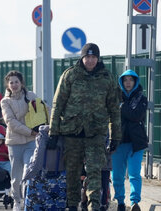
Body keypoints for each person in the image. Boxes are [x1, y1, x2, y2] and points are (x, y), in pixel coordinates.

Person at [48, 43, 121, 211]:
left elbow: (114, 109)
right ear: (82, 58)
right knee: (72, 172)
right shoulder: (71, 75)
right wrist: (53, 132)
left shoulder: (107, 78)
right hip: (72, 132)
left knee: (95, 171)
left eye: (94, 57)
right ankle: (72, 205)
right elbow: (58, 104)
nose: (90, 61)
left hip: (96, 133)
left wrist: (116, 135)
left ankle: (93, 205)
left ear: (98, 59)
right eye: (87, 57)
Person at [0, 70, 38, 211]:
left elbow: (44, 110)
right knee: (16, 176)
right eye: (11, 82)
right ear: (8, 85)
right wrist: (30, 131)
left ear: (21, 83)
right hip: (15, 142)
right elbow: (11, 122)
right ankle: (17, 201)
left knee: (28, 171)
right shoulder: (5, 101)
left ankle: (28, 199)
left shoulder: (31, 96)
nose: (14, 85)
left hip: (31, 141)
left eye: (17, 82)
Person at [112, 70, 148, 211]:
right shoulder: (114, 98)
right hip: (118, 143)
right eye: (125, 80)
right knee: (117, 175)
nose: (128, 83)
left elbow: (136, 116)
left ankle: (135, 202)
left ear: (135, 82)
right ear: (121, 82)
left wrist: (122, 108)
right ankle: (120, 201)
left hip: (135, 144)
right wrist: (124, 109)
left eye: (130, 80)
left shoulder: (141, 98)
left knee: (134, 174)